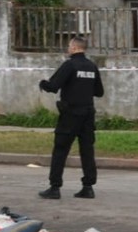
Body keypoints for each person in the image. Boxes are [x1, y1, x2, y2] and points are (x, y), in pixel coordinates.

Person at [38, 36, 103, 200]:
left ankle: (55, 187)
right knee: (87, 150)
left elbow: (53, 86)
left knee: (60, 149)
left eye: (69, 45)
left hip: (70, 114)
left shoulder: (69, 65)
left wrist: (42, 83)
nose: (68, 48)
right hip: (88, 114)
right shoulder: (92, 66)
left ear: (74, 48)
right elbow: (99, 92)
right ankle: (88, 187)